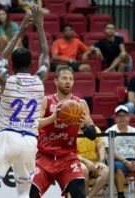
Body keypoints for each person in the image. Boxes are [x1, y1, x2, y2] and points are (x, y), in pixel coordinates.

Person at [0, 6, 50, 198]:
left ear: (13, 65)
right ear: (31, 65)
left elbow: (1, 58)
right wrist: (39, 27)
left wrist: (21, 29)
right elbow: (46, 57)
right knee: (24, 192)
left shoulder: (7, 79)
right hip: (30, 141)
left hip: (8, 137)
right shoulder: (39, 79)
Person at [29, 65, 97, 198]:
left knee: (79, 194)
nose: (68, 81)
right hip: (44, 157)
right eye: (64, 78)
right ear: (56, 81)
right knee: (31, 193)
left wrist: (83, 126)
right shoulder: (46, 101)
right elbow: (33, 124)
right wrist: (53, 117)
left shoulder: (80, 104)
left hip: (68, 158)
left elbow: (93, 134)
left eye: (71, 79)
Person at [77, 126, 109, 198]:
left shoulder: (95, 129)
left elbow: (101, 147)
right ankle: (84, 195)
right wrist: (86, 161)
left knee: (106, 171)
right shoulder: (70, 129)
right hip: (78, 161)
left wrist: (101, 161)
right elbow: (69, 152)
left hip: (95, 162)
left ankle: (88, 196)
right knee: (83, 170)